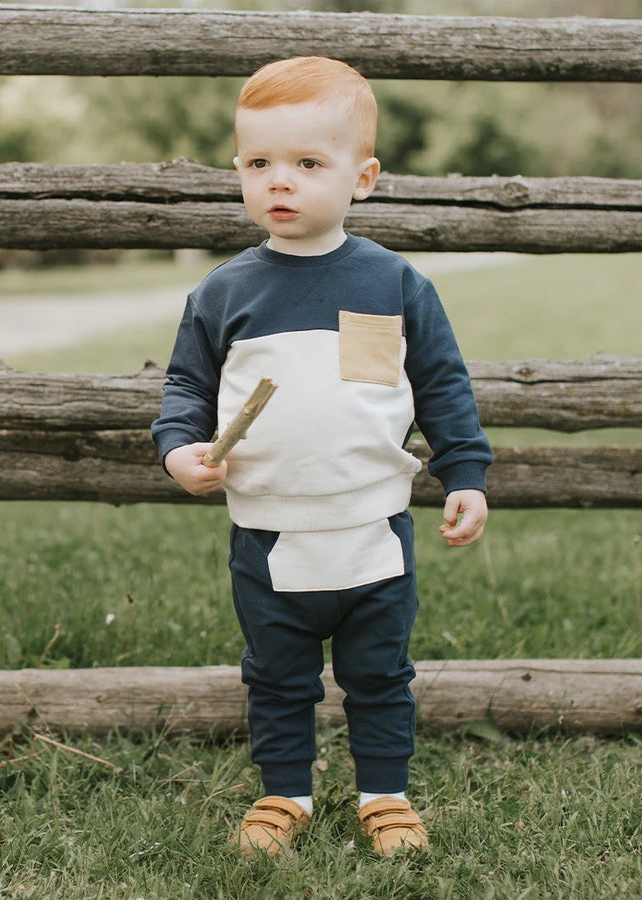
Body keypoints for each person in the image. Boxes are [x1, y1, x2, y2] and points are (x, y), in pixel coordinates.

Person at [151, 56, 492, 858]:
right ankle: (285, 794)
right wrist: (179, 455)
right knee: (276, 676)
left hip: (372, 530)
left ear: (363, 178)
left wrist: (466, 474)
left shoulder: (395, 283)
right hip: (268, 535)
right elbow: (184, 395)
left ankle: (385, 795)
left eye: (308, 164)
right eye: (259, 163)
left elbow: (441, 386)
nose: (281, 182)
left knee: (380, 673)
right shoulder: (224, 294)